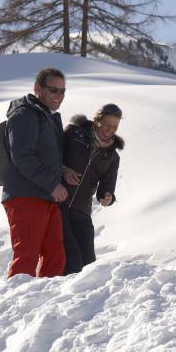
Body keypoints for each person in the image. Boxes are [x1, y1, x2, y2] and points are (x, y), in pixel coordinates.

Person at [2, 67, 67, 278]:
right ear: (38, 88)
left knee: (56, 257)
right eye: (54, 90)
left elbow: (44, 154)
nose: (59, 96)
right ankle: (13, 307)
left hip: (46, 196)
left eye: (63, 91)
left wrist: (62, 170)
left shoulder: (46, 115)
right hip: (26, 195)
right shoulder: (25, 114)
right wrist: (52, 184)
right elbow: (22, 157)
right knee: (26, 258)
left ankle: (44, 304)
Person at [61, 104, 124, 274]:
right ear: (96, 121)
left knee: (89, 262)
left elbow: (106, 187)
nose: (109, 130)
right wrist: (63, 169)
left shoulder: (111, 156)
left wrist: (107, 196)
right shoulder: (74, 134)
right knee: (72, 257)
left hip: (82, 210)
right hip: (58, 203)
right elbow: (51, 157)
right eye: (106, 125)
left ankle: (84, 299)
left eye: (114, 127)